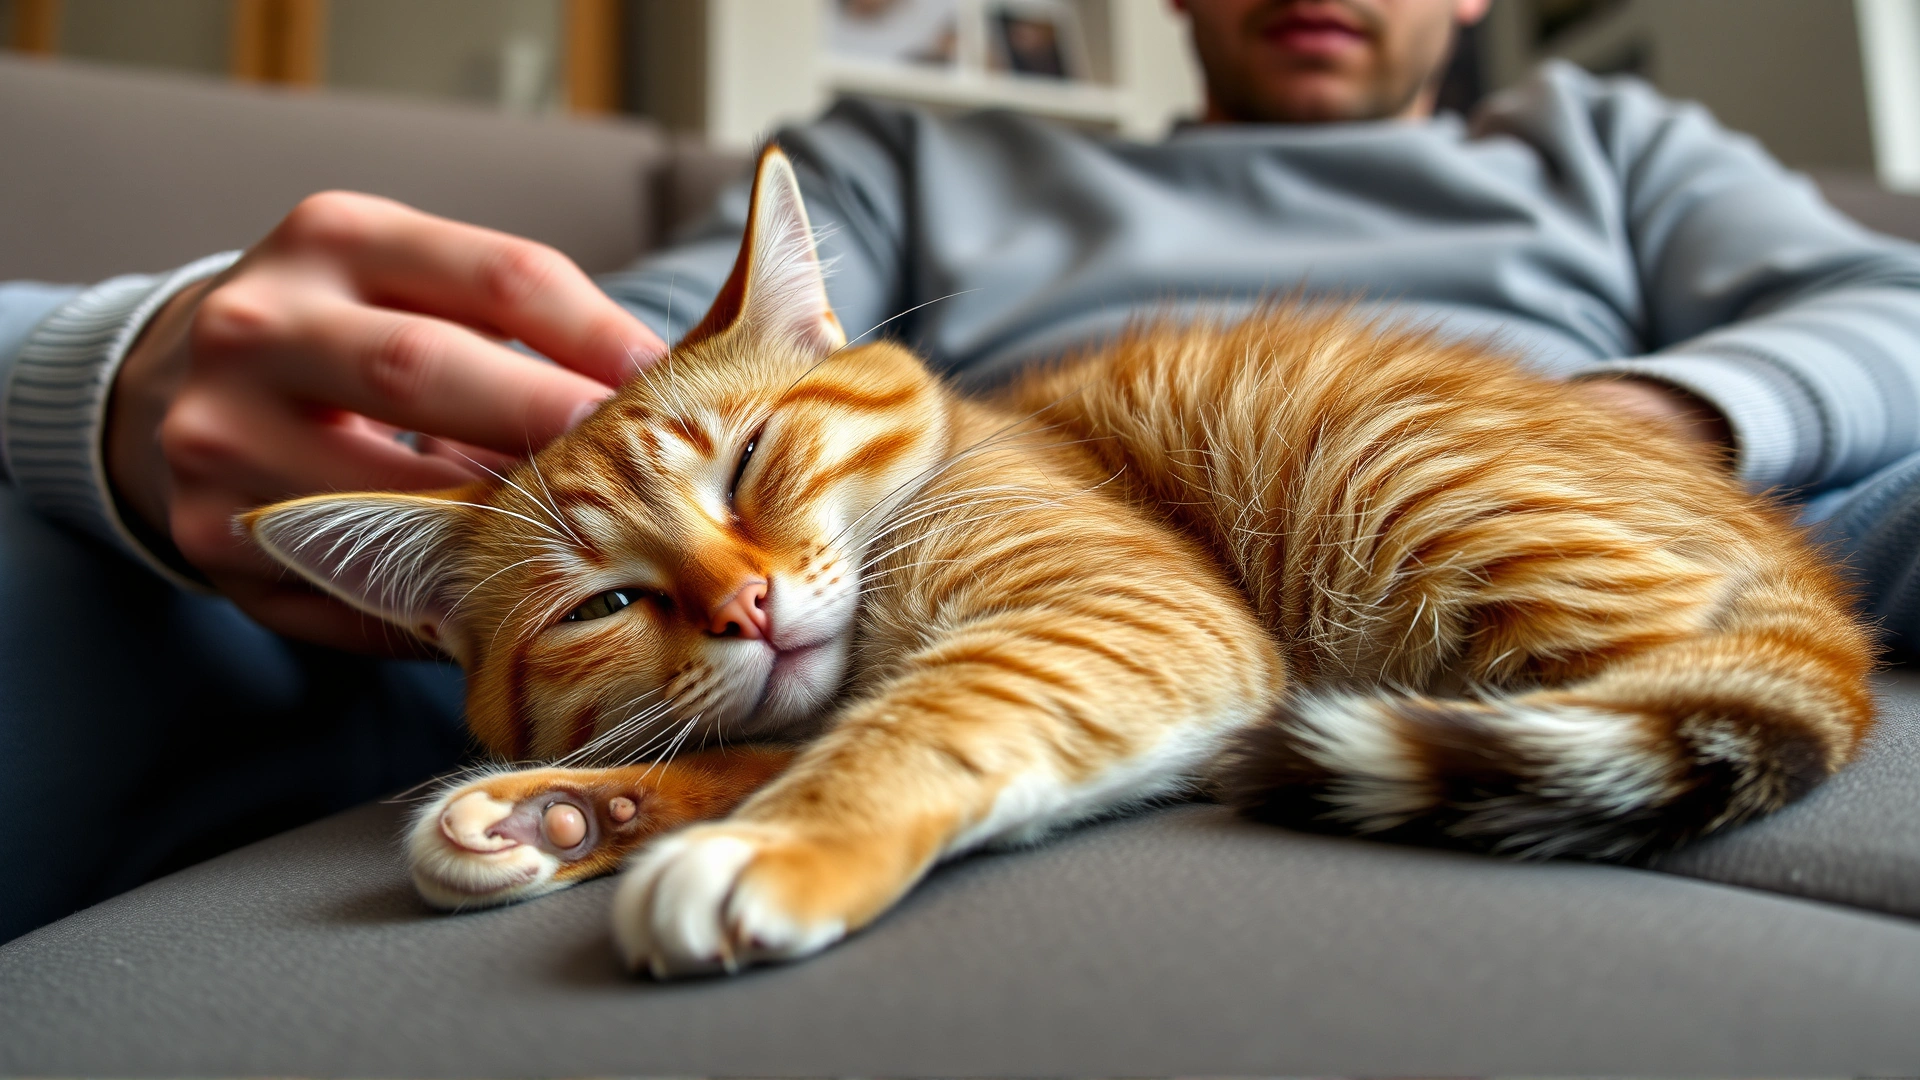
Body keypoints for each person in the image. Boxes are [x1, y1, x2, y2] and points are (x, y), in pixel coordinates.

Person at [3, 0, 1917, 942]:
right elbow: (619, 375)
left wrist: (1658, 422)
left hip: (1632, 470)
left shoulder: (1600, 141)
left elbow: (1881, 303)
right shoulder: (899, 159)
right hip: (977, 539)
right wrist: (133, 375)